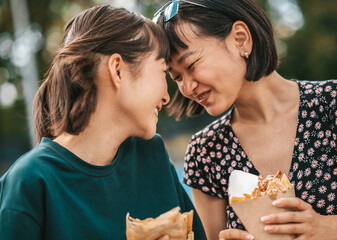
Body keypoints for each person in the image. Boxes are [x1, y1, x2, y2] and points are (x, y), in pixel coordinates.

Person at [154, 0, 337, 239]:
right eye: (177, 77)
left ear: (240, 38)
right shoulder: (205, 153)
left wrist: (327, 228)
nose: (187, 87)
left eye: (191, 64)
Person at [0, 5, 206, 240]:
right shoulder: (29, 183)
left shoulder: (153, 155)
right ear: (117, 70)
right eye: (162, 70)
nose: (167, 96)